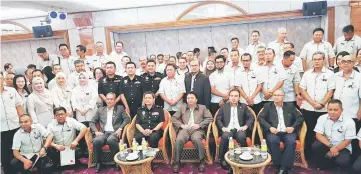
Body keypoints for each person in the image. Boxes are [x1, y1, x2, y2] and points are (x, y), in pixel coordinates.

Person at [258, 89, 304, 174]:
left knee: (291, 142)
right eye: (275, 95)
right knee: (273, 140)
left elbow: (300, 118)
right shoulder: (268, 106)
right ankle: (280, 165)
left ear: (283, 97)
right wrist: (270, 128)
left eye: (279, 95)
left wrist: (293, 127)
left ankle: (283, 168)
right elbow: (260, 118)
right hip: (274, 132)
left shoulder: (290, 106)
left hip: (288, 132)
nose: (276, 97)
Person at [300, 51, 335, 159]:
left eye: (319, 59)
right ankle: (308, 155)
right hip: (308, 108)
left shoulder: (330, 74)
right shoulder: (307, 73)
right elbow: (302, 89)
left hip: (323, 109)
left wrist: (322, 103)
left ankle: (321, 157)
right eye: (314, 59)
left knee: (323, 133)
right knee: (308, 132)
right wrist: (312, 102)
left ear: (323, 60)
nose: (316, 61)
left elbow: (331, 90)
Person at [171, 92, 213, 173]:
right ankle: (177, 162)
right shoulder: (182, 107)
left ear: (196, 99)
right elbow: (173, 118)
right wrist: (181, 125)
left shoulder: (202, 107)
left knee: (197, 139)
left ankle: (202, 161)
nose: (190, 99)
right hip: (185, 130)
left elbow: (210, 118)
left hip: (197, 130)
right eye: (188, 98)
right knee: (179, 139)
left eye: (192, 98)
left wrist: (199, 125)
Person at [89, 92, 130, 172]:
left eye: (111, 99)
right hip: (103, 133)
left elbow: (127, 119)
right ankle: (98, 163)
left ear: (115, 101)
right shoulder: (101, 110)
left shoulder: (120, 108)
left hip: (114, 133)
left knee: (111, 140)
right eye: (107, 99)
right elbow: (92, 122)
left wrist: (120, 128)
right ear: (105, 100)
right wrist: (96, 131)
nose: (109, 101)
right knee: (97, 140)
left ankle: (117, 162)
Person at [312, 99, 356, 172]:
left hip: (342, 147)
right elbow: (318, 135)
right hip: (328, 144)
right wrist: (331, 146)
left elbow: (347, 141)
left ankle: (333, 163)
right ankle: (323, 164)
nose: (332, 112)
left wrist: (336, 149)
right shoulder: (322, 118)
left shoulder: (349, 121)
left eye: (335, 110)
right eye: (330, 109)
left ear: (341, 110)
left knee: (343, 161)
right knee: (316, 146)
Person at [216, 89, 254, 169]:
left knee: (241, 137)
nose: (233, 98)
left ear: (239, 98)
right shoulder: (224, 107)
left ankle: (245, 156)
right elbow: (218, 119)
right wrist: (222, 128)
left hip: (239, 129)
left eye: (236, 96)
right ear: (229, 97)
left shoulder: (243, 106)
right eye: (231, 96)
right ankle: (222, 159)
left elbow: (251, 117)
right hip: (228, 129)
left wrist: (246, 126)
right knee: (225, 136)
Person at [1, 72, 24, 174]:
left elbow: (18, 106)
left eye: (1, 78)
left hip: (15, 125)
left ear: (3, 79)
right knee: (4, 152)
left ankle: (22, 170)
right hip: (1, 129)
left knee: (19, 149)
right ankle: (8, 171)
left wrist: (24, 122)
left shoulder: (11, 91)